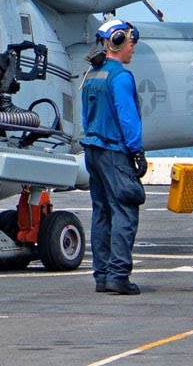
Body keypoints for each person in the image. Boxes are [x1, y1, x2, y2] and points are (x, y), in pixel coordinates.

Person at [80, 19, 148, 296]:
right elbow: (127, 116)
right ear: (119, 42)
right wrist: (137, 151)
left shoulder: (91, 75)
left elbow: (86, 116)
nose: (133, 48)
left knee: (102, 213)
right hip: (114, 151)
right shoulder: (120, 77)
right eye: (131, 42)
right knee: (124, 209)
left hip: (93, 150)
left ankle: (102, 274)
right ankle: (118, 275)